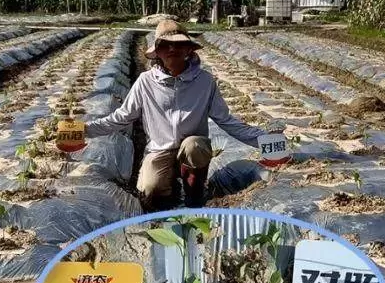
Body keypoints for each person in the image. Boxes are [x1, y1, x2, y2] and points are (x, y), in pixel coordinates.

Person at [85, 19, 269, 209]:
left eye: (179, 44)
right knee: (149, 189)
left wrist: (264, 140)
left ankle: (194, 193)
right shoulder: (145, 82)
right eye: (165, 45)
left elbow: (226, 121)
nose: (172, 49)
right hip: (159, 148)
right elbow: (121, 117)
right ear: (157, 51)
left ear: (189, 49)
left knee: (194, 146)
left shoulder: (205, 81)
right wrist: (85, 130)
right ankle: (167, 188)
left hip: (192, 149)